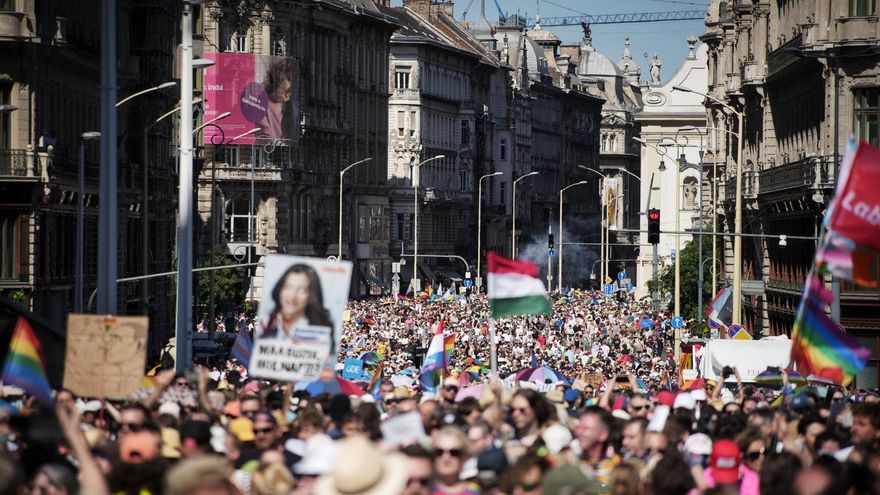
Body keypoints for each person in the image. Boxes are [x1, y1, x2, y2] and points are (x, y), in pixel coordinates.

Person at [258, 263, 335, 354]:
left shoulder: (321, 336)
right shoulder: (265, 326)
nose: (293, 296)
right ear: (280, 290)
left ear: (311, 296)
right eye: (288, 287)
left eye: (302, 290)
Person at [257, 58, 293, 140]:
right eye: (287, 91)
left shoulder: (288, 106)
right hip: (266, 147)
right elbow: (266, 133)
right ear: (277, 83)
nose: (289, 97)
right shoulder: (258, 99)